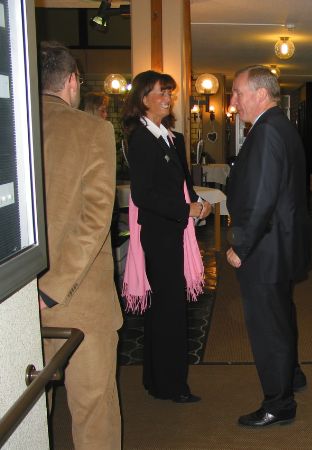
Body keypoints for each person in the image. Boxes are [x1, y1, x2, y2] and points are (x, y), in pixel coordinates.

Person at [37, 41, 123, 449]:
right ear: (72, 81)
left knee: (28, 412)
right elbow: (94, 220)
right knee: (93, 411)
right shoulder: (92, 130)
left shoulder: (11, 127)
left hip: (16, 300)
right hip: (79, 299)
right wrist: (50, 291)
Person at [226, 65, 312, 427]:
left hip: (265, 247)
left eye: (237, 93)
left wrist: (241, 246)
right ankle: (291, 375)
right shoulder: (280, 126)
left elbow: (262, 197)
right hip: (280, 244)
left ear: (261, 94)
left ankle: (279, 404)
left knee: (268, 327)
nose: (233, 101)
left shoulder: (267, 131)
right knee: (281, 316)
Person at [121, 70, 211, 403]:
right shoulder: (141, 139)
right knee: (169, 311)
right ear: (143, 98)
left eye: (169, 92)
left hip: (174, 231)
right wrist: (186, 209)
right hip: (159, 235)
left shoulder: (173, 138)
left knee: (164, 309)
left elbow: (183, 183)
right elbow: (143, 195)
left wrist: (199, 204)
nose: (168, 98)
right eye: (161, 92)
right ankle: (172, 385)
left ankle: (156, 380)